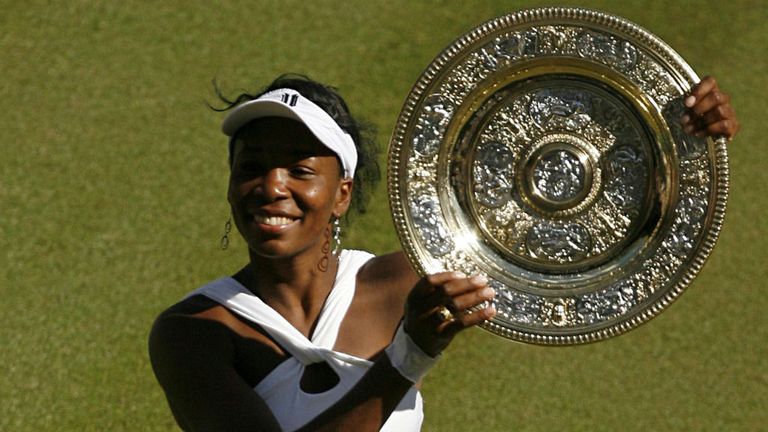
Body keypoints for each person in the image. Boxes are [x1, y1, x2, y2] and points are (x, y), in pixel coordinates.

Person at [148, 74, 739, 432]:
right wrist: (408, 357)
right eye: (252, 168)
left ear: (342, 193)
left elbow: (565, 219)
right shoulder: (194, 332)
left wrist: (678, 136)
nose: (271, 187)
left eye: (300, 170)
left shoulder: (407, 280)